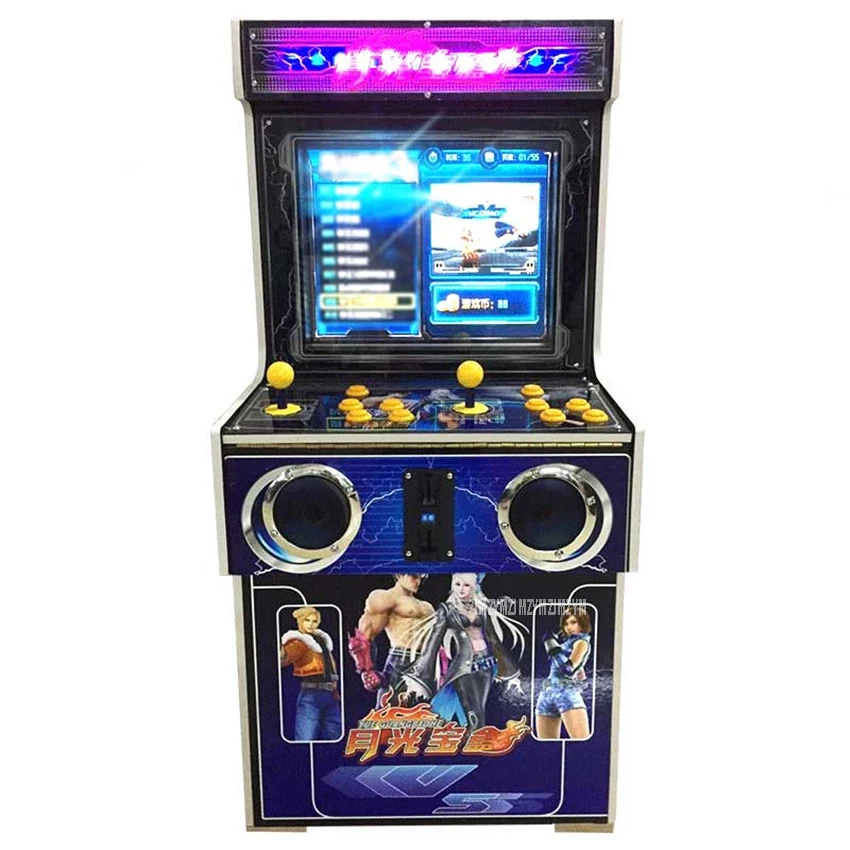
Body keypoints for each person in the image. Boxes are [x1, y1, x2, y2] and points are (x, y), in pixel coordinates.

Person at [402, 573, 526, 731]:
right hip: (464, 668)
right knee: (474, 714)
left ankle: (474, 741)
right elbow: (434, 642)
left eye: (466, 585)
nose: (461, 589)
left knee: (479, 712)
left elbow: (493, 639)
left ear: (474, 586)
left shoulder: (482, 608)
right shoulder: (447, 610)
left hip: (487, 666)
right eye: (457, 584)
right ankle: (475, 743)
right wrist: (420, 674)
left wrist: (510, 670)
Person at [347, 574, 434, 706]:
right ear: (399, 575)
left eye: (421, 578)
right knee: (389, 711)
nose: (418, 581)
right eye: (414, 576)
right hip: (401, 660)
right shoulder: (385, 598)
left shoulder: (427, 606)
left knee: (427, 713)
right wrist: (367, 671)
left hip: (426, 663)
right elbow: (362, 638)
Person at [280, 606, 341, 740]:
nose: (311, 624)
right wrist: (282, 652)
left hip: (330, 695)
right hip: (311, 695)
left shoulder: (322, 640)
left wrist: (335, 689)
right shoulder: (299, 642)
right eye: (307, 620)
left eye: (314, 621)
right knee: (305, 739)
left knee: (335, 737)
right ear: (300, 621)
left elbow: (330, 667)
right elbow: (286, 656)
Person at [535, 608, 592, 740]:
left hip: (566, 695)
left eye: (573, 622)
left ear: (582, 623)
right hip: (546, 694)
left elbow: (568, 669)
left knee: (581, 744)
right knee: (546, 747)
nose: (569, 627)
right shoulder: (567, 643)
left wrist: (552, 648)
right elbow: (580, 672)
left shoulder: (582, 642)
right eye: (566, 624)